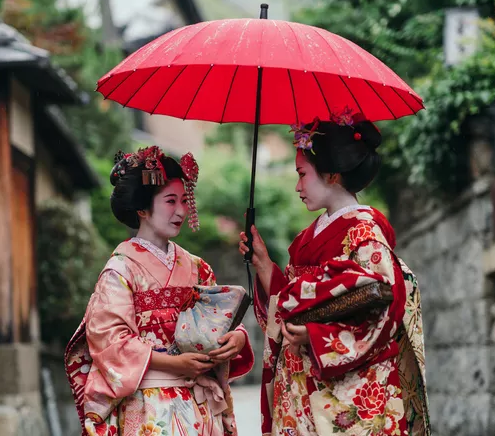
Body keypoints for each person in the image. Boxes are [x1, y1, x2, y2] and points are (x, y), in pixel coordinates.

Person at [239, 108, 429, 435]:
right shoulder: (308, 237)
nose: (297, 185)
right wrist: (264, 265)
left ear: (331, 175)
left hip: (347, 388)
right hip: (300, 381)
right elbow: (292, 300)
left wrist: (316, 336)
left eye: (302, 173)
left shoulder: (364, 232)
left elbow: (382, 307)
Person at [66, 146, 255, 436]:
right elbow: (111, 341)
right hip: (147, 404)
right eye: (170, 201)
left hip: (198, 402)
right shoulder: (121, 269)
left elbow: (218, 321)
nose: (181, 210)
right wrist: (173, 363)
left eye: (183, 200)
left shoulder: (197, 267)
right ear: (142, 208)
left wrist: (238, 337)